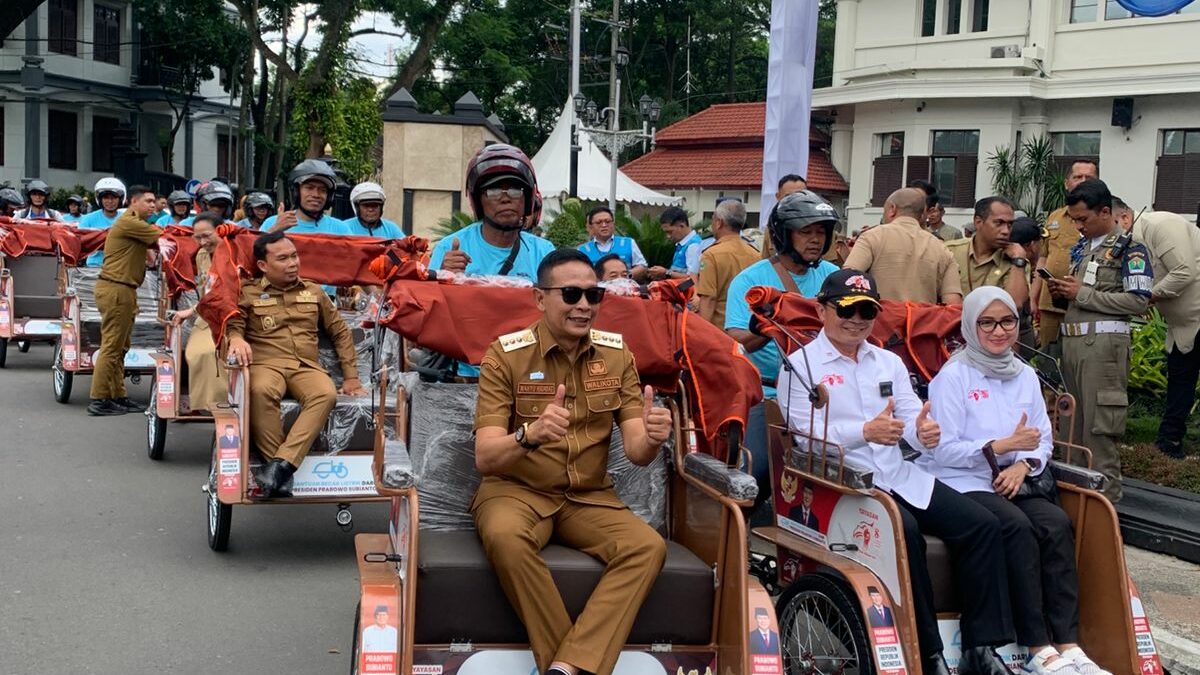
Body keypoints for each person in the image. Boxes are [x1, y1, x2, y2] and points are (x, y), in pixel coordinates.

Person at [777, 269, 1014, 675]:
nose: (856, 320)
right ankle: (928, 655)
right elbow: (803, 439)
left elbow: (911, 419)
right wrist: (864, 432)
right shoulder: (801, 366)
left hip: (898, 473)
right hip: (841, 482)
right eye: (845, 310)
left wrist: (925, 433)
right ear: (820, 310)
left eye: (866, 311)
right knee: (903, 534)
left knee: (983, 525)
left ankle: (981, 648)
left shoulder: (887, 360)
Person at [472, 248, 672, 675]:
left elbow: (637, 450)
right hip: (516, 490)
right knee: (506, 538)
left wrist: (653, 439)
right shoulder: (506, 355)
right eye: (571, 294)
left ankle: (565, 668)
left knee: (647, 547)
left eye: (593, 294)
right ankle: (573, 664)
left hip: (587, 496)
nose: (584, 305)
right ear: (540, 298)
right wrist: (531, 434)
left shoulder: (617, 355)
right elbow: (486, 457)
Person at [921, 287, 1112, 675]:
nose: (998, 331)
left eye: (1007, 321)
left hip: (1017, 478)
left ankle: (1069, 644)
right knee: (1017, 528)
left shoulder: (1025, 374)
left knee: (1057, 524)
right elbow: (944, 451)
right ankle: (1038, 646)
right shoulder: (953, 377)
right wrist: (999, 447)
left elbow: (1041, 438)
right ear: (971, 327)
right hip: (966, 479)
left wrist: (1022, 464)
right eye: (987, 323)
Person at [225, 232, 367, 497]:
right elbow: (233, 326)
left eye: (294, 256)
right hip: (266, 364)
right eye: (283, 258)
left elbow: (339, 332)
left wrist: (351, 378)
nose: (292, 263)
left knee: (325, 394)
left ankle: (280, 467)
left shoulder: (313, 291)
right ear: (264, 266)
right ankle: (277, 465)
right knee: (259, 391)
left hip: (305, 366)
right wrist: (235, 338)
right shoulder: (247, 293)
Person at [725, 191, 839, 514]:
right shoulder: (750, 280)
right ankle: (735, 540)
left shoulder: (833, 277)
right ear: (783, 235)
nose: (815, 240)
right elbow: (734, 339)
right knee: (754, 472)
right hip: (769, 392)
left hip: (825, 391)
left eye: (821, 232)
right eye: (806, 232)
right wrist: (765, 328)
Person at [1048, 179, 1152, 503]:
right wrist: (1065, 294)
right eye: (1074, 220)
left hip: (1104, 348)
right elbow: (1084, 298)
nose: (1078, 226)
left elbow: (1139, 301)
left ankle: (1106, 514)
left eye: (1083, 219)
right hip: (1073, 344)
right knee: (1070, 431)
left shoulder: (1131, 249)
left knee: (1098, 432)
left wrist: (1083, 293)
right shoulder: (1082, 248)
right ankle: (1074, 511)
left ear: (1105, 212)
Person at [1114, 200, 1200, 460]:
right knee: (1180, 378)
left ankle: (1169, 440)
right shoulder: (1130, 243)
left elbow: (1184, 272)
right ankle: (1169, 443)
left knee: (1181, 378)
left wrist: (1150, 296)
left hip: (1196, 316)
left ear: (1124, 218)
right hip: (1182, 324)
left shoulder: (1161, 225)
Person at [86, 185, 163, 416]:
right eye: (148, 201)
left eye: (154, 202)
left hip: (123, 290)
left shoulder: (134, 224)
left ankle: (118, 395)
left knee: (120, 348)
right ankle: (99, 399)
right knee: (111, 347)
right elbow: (163, 237)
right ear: (133, 202)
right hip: (116, 289)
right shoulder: (131, 223)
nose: (153, 205)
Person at [843, 187, 963, 305]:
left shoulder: (871, 237)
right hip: (923, 322)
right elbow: (953, 305)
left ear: (892, 209)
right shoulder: (942, 249)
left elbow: (846, 281)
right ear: (922, 216)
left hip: (878, 320)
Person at [1033, 160, 1099, 349]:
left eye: (1089, 177)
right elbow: (1043, 258)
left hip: (1083, 304)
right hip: (1050, 305)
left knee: (1077, 358)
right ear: (1067, 183)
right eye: (1078, 177)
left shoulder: (1102, 217)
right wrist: (1033, 296)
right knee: (1048, 358)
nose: (1082, 181)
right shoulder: (1055, 217)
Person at [169, 213, 229, 412]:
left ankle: (226, 403)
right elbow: (207, 290)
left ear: (221, 231)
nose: (203, 242)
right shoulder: (202, 255)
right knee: (197, 352)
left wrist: (192, 310)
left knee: (219, 353)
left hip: (233, 316)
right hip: (207, 315)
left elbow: (225, 291)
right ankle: (209, 404)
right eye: (198, 237)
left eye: (207, 235)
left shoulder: (233, 253)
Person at [946, 197, 1030, 309]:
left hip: (993, 324)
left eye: (1010, 225)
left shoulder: (1016, 259)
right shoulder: (950, 251)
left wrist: (1018, 260)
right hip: (953, 321)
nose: (1006, 231)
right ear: (978, 222)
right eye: (999, 223)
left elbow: (1015, 303)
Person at [696, 199, 758, 327]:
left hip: (720, 331)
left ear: (719, 223)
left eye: (713, 219)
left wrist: (701, 331)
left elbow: (709, 299)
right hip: (748, 330)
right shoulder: (756, 255)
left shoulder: (711, 255)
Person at [264, 159, 349, 234]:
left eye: (322, 190)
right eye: (309, 188)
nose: (316, 195)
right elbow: (254, 250)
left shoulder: (341, 229)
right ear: (296, 192)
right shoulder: (273, 223)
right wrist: (274, 230)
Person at [578, 205, 648, 281]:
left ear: (613, 223)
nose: (604, 225)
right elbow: (580, 274)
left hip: (625, 289)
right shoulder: (582, 250)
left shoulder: (628, 242)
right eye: (599, 222)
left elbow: (642, 266)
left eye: (607, 221)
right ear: (591, 226)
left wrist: (625, 276)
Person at [77, 177, 128, 267]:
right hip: (94, 267)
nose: (110, 201)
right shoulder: (88, 219)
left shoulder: (128, 219)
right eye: (106, 198)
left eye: (114, 198)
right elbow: (79, 243)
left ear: (120, 199)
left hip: (121, 267)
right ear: (100, 200)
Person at [760, 173, 809, 260]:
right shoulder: (773, 228)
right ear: (778, 197)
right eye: (788, 197)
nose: (794, 201)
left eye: (799, 196)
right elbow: (766, 260)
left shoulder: (819, 226)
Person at [648, 206, 701, 281]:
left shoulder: (693, 246)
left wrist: (666, 273)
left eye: (670, 232)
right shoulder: (681, 245)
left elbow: (692, 279)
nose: (668, 236)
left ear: (681, 226)